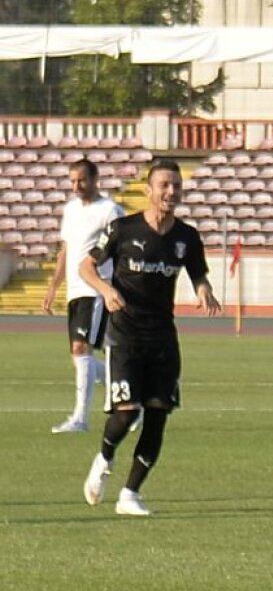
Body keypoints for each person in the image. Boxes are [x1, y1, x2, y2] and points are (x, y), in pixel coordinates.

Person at [80, 158, 221, 516]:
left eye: (176, 185)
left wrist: (204, 290)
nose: (171, 192)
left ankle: (130, 494)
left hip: (163, 338)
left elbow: (197, 274)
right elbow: (86, 266)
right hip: (125, 335)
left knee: (158, 414)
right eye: (164, 185)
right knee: (127, 413)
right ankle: (104, 459)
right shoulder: (123, 229)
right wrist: (104, 290)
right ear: (149, 190)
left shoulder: (186, 237)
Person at [43, 159, 124, 434]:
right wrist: (54, 286)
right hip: (75, 291)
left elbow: (121, 250)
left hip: (96, 288)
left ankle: (80, 418)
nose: (77, 186)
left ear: (95, 179)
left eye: (82, 180)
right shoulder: (70, 210)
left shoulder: (110, 210)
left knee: (82, 350)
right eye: (73, 181)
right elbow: (65, 250)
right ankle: (128, 385)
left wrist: (116, 288)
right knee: (79, 357)